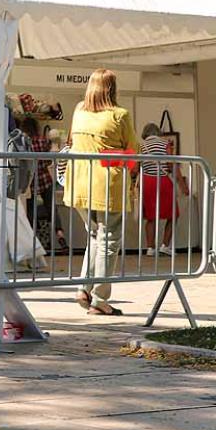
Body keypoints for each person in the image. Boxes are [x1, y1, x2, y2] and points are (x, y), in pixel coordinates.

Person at [63, 69, 138, 317]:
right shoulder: (119, 115)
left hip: (79, 185)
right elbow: (133, 150)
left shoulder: (79, 110)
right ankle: (99, 298)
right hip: (108, 186)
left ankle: (84, 288)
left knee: (94, 237)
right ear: (112, 88)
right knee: (108, 241)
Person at [139, 123, 179, 257]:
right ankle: (165, 246)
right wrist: (181, 182)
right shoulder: (164, 143)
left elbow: (138, 166)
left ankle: (150, 248)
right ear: (158, 132)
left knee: (151, 217)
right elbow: (170, 163)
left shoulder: (141, 146)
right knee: (173, 214)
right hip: (163, 181)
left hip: (147, 181)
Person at [19, 117, 58, 251]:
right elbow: (48, 161)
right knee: (52, 209)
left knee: (29, 212)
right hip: (45, 179)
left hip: (30, 181)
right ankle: (60, 235)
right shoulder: (43, 140)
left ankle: (31, 242)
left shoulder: (24, 142)